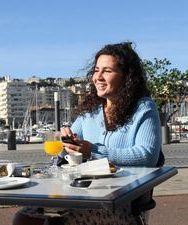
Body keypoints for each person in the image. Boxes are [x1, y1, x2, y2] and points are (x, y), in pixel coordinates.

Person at [13, 42, 162, 225]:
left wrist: (92, 150)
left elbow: (147, 156)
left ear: (126, 77)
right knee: (24, 218)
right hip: (83, 192)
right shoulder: (90, 112)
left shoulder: (143, 108)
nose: (98, 77)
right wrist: (66, 141)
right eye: (96, 70)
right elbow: (64, 151)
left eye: (107, 71)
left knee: (57, 220)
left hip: (121, 201)